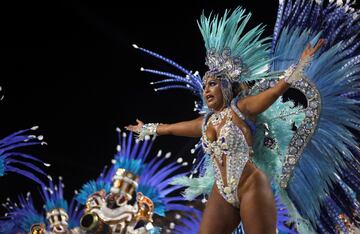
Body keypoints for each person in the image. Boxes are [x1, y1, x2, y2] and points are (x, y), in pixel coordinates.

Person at [127, 2, 360, 233]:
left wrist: (301, 64)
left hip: (251, 186)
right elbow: (171, 129)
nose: (206, 90)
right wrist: (148, 128)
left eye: (212, 84)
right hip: (223, 191)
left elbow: (275, 91)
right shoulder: (206, 122)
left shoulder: (242, 108)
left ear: (226, 87)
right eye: (205, 87)